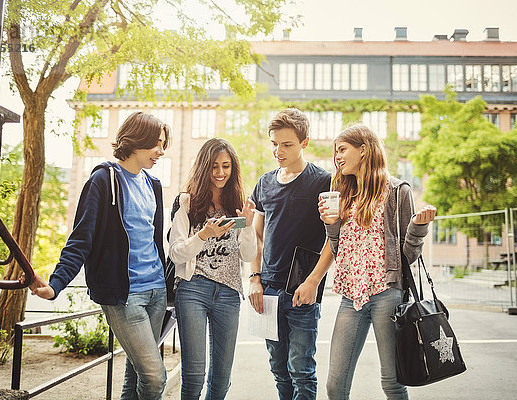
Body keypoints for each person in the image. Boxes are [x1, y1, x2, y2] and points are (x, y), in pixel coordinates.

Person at [25, 111, 171, 400]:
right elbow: (81, 239)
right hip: (123, 296)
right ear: (136, 140)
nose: (161, 151)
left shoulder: (153, 185)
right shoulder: (103, 180)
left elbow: (154, 239)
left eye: (164, 144)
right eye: (157, 143)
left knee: (138, 371)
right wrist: (55, 285)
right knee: (155, 377)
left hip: (156, 291)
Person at [316, 123, 436, 400]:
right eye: (336, 151)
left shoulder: (397, 191)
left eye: (342, 149)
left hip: (387, 295)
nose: (337, 157)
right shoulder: (344, 194)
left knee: (392, 383)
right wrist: (330, 224)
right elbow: (338, 250)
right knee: (335, 386)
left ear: (364, 149)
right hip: (350, 297)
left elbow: (408, 257)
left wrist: (418, 228)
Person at [248, 108, 332, 400]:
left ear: (304, 142)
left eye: (286, 144)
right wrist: (254, 278)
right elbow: (256, 237)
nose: (278, 151)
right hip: (268, 290)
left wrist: (313, 282)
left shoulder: (323, 182)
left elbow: (333, 239)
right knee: (279, 369)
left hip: (302, 291)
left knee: (301, 370)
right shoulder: (264, 183)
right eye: (274, 143)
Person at [168, 138, 256, 400]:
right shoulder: (187, 202)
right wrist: (203, 235)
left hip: (229, 294)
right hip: (193, 289)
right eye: (214, 166)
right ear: (204, 167)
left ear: (233, 168)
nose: (220, 173)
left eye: (226, 166)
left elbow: (248, 254)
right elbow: (175, 253)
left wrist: (249, 226)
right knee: (194, 375)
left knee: (221, 378)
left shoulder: (237, 203)